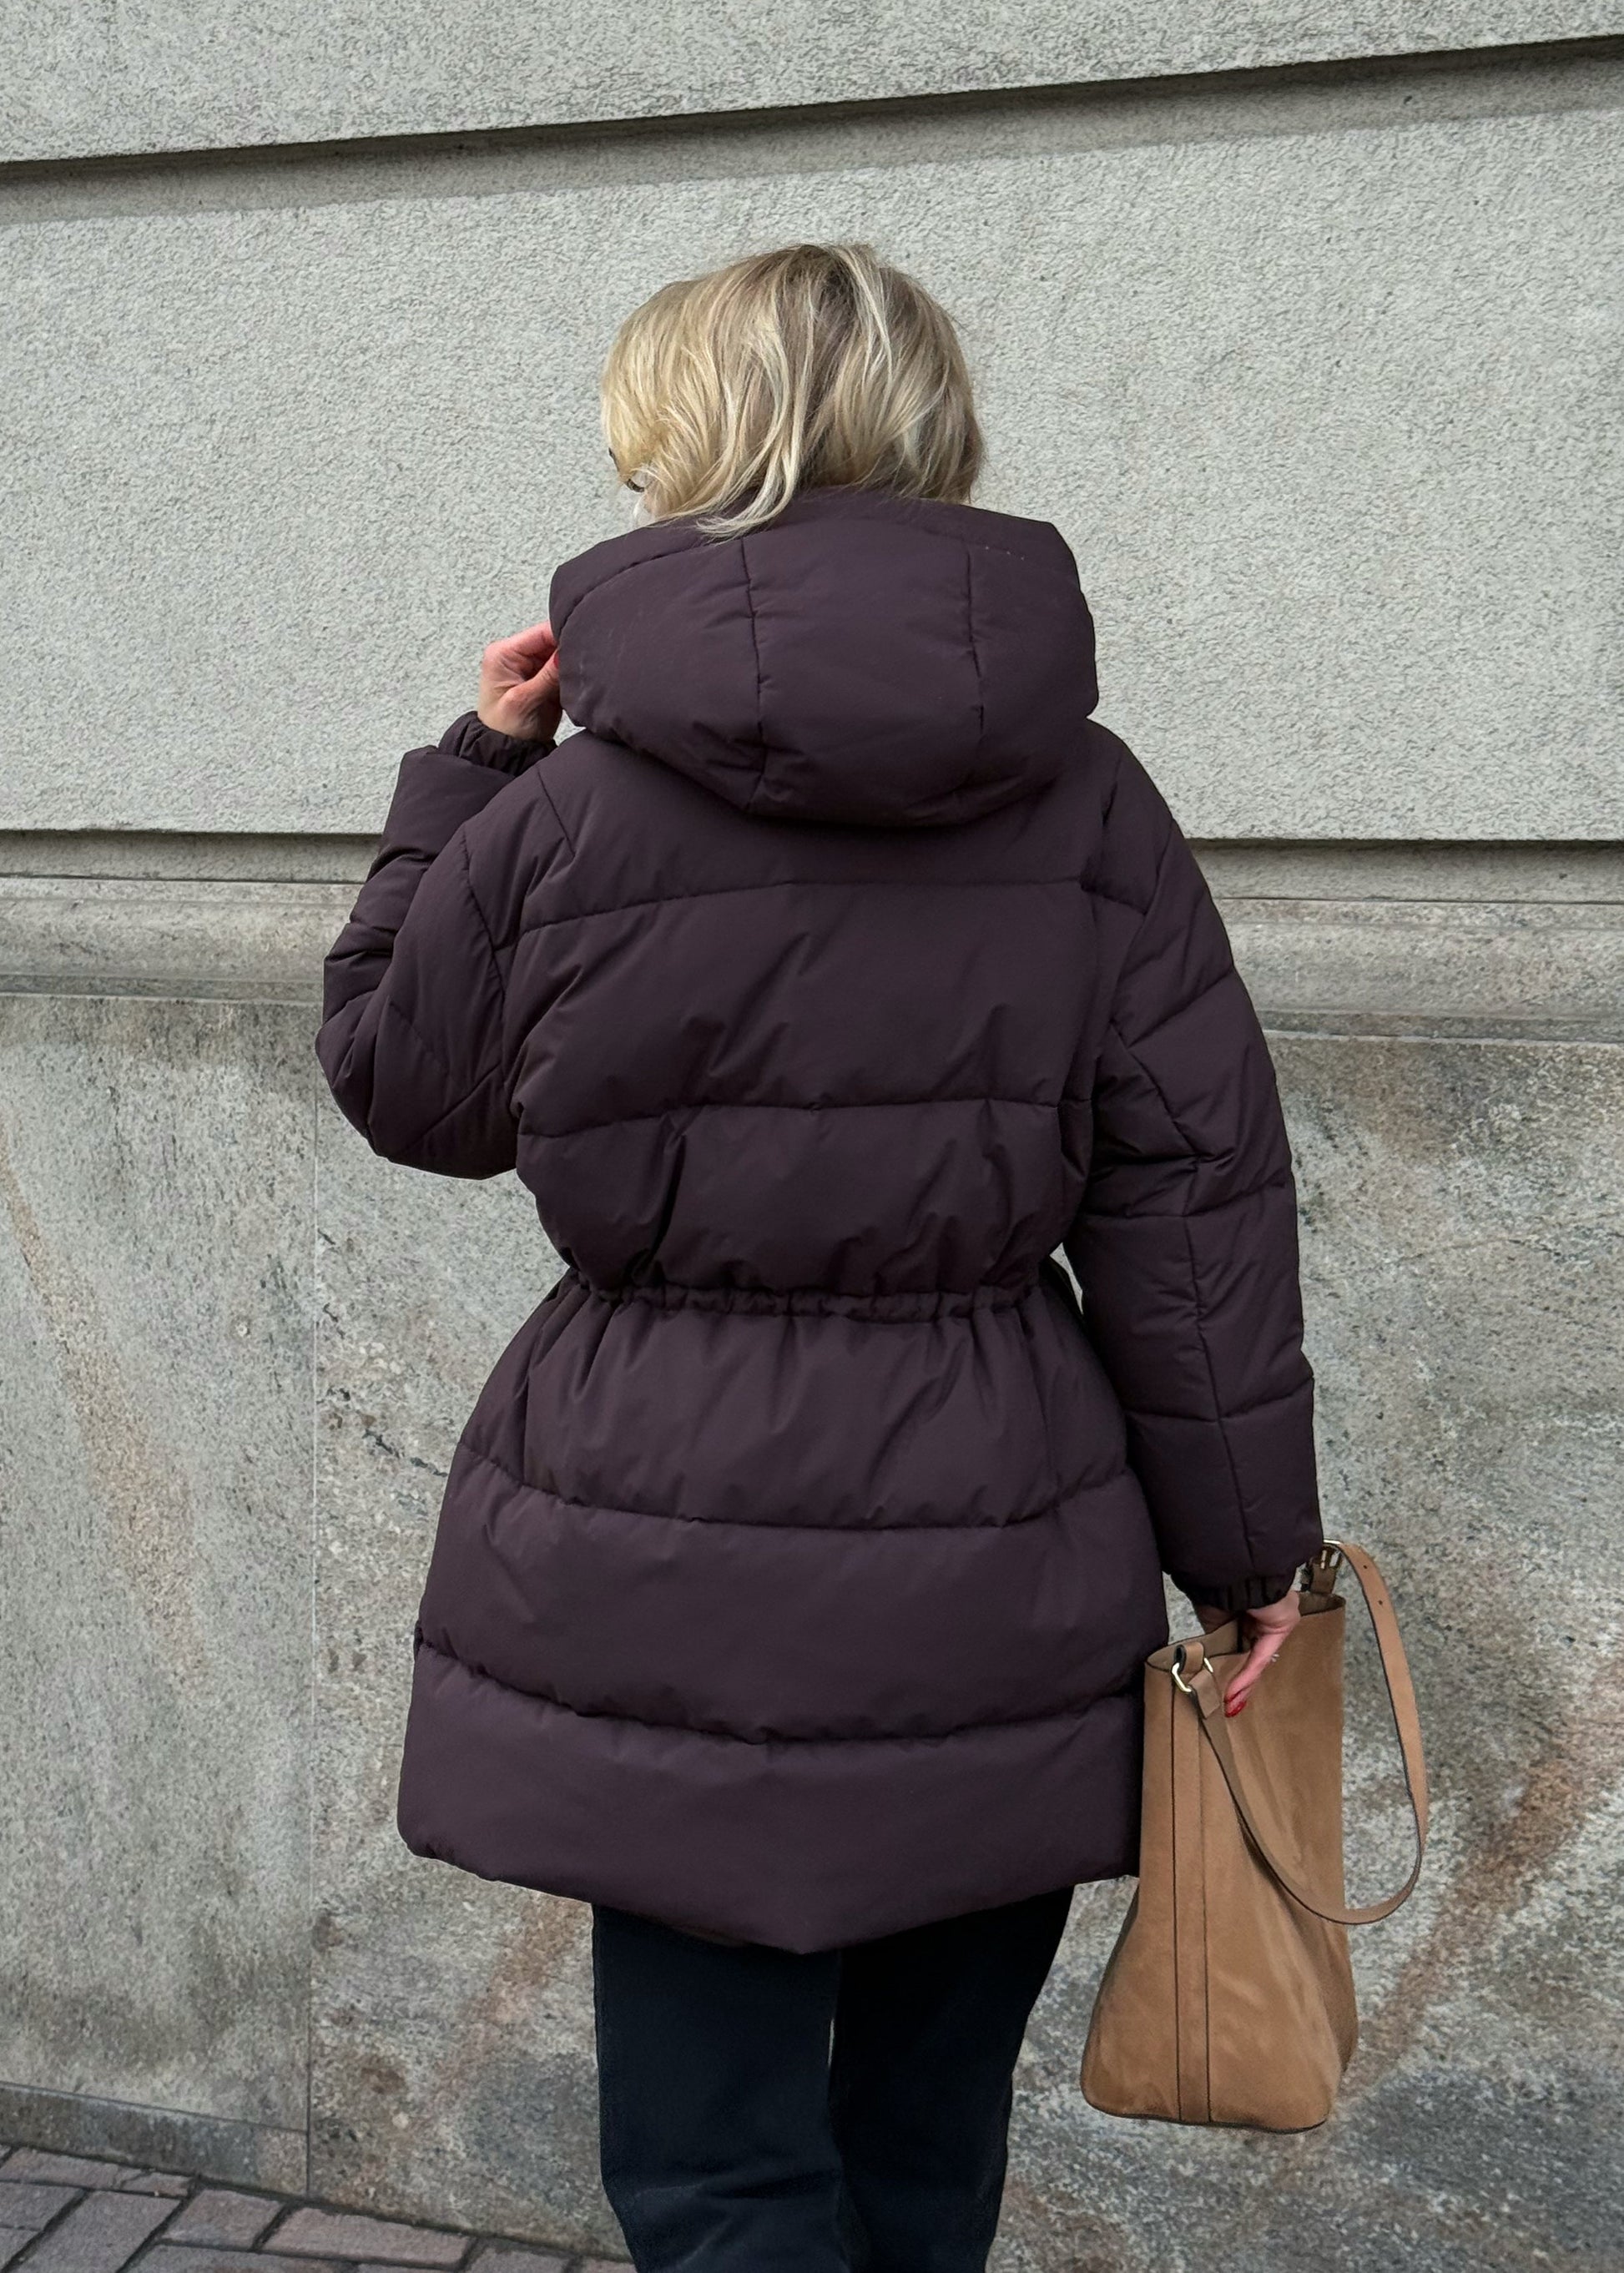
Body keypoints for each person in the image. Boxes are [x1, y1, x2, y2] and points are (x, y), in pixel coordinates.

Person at [315, 240, 1322, 2273]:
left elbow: (407, 1088)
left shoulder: (573, 816)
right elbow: (1190, 1202)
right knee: (923, 2158)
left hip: (659, 1537)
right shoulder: (1088, 803)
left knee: (716, 2173)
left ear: (682, 442)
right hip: (996, 1535)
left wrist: (469, 775)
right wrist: (1248, 1553)